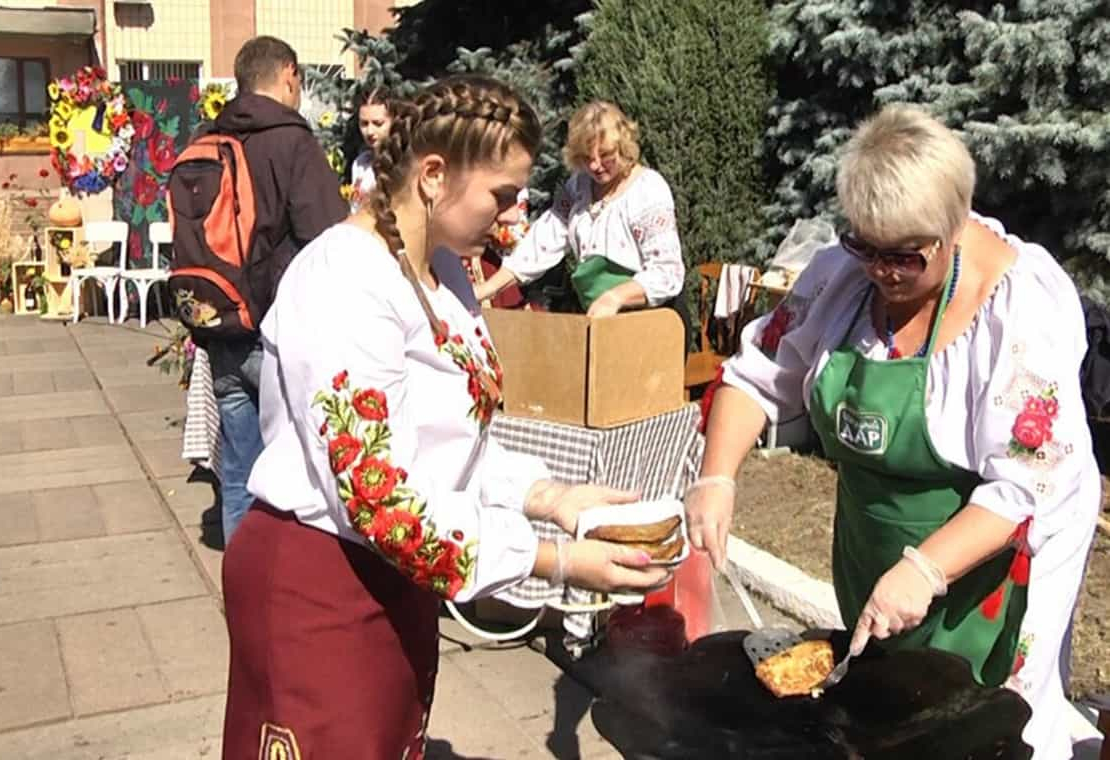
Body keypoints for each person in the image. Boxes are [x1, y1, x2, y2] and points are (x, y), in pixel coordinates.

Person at [221, 75, 672, 759]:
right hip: (317, 581)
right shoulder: (342, 278)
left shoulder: (445, 272)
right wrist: (558, 562)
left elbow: (450, 438)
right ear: (434, 174)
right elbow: (382, 500)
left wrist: (549, 496)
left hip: (396, 575)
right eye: (501, 194)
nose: (512, 213)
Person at [688, 104, 1099, 759]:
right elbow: (758, 374)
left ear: (952, 227)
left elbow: (1025, 485)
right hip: (874, 540)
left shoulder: (1017, 312)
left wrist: (925, 566)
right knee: (885, 714)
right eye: (866, 247)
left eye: (904, 256)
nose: (882, 270)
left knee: (985, 729)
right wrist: (716, 477)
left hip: (995, 566)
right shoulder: (838, 277)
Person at [206, 36, 347, 544]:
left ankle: (238, 591)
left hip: (219, 324)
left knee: (241, 474)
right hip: (279, 332)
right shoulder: (292, 140)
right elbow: (330, 237)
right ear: (289, 73)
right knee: (302, 476)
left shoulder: (209, 137)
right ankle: (280, 591)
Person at [474, 100, 685, 319]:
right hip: (602, 320)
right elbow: (542, 244)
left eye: (605, 155)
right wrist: (485, 290)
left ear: (623, 147)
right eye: (587, 157)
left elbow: (667, 272)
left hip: (652, 321)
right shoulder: (577, 188)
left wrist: (615, 297)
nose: (595, 165)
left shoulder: (647, 190)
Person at [348, 87, 393, 213]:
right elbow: (355, 207)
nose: (370, 132)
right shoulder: (360, 163)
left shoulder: (403, 163)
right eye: (364, 124)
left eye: (378, 123)